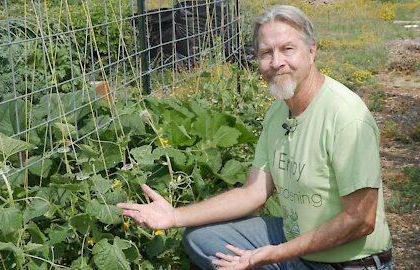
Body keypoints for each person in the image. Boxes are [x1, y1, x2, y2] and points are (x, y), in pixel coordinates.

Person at [117, 5, 393, 270]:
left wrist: (274, 254)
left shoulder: (346, 117)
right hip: (295, 243)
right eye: (265, 53)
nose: (276, 62)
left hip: (349, 263)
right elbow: (254, 193)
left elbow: (361, 220)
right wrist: (174, 216)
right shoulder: (279, 110)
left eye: (287, 49)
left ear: (311, 51)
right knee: (200, 238)